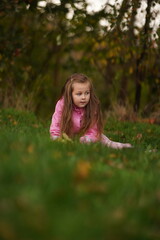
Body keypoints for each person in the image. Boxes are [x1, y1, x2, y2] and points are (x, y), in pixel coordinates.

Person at [50, 73, 132, 149]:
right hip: (67, 135)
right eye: (79, 94)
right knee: (67, 144)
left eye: (87, 93)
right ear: (70, 94)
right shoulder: (62, 104)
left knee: (104, 141)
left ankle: (120, 146)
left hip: (87, 135)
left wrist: (88, 139)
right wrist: (56, 137)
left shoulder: (92, 106)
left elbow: (93, 129)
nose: (84, 97)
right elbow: (56, 123)